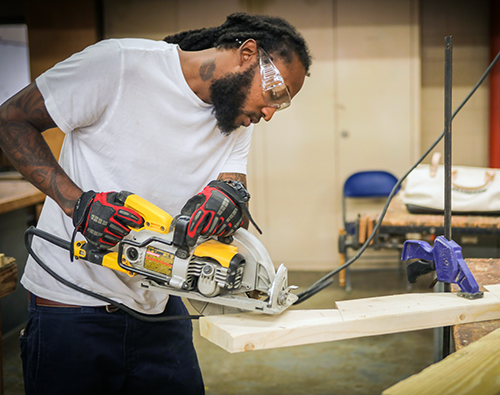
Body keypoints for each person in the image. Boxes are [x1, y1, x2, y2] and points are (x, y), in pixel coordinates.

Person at [0, 12, 311, 395]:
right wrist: (76, 204)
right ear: (247, 53)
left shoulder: (233, 118)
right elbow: (10, 121)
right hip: (71, 304)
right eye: (275, 94)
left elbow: (231, 185)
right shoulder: (118, 64)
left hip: (160, 302)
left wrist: (229, 199)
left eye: (281, 105)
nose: (268, 113)